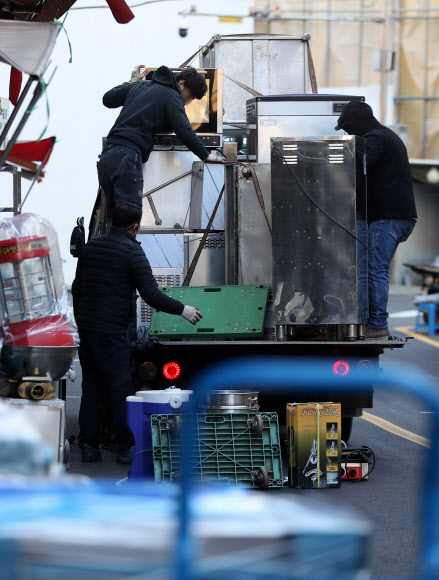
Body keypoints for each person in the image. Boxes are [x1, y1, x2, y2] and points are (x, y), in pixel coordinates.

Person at [72, 203, 203, 464]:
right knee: (121, 389)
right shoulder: (132, 252)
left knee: (91, 389)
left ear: (111, 222)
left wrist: (82, 321)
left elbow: (77, 289)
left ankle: (89, 447)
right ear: (136, 227)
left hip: (87, 330)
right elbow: (151, 295)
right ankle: (126, 448)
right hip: (111, 332)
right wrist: (183, 310)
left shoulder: (91, 249)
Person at [335, 101, 417, 339]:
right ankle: (371, 321)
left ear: (358, 123)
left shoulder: (376, 138)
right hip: (392, 216)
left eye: (348, 128)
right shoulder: (383, 136)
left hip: (388, 215)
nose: (349, 134)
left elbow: (353, 167)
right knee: (371, 268)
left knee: (373, 269)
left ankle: (378, 324)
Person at [98, 65, 221, 214]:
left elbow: (108, 99)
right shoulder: (172, 96)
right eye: (191, 96)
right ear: (181, 84)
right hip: (128, 157)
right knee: (129, 215)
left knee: (114, 215)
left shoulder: (139, 85)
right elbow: (184, 130)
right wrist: (206, 155)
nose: (188, 102)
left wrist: (131, 81)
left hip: (108, 156)